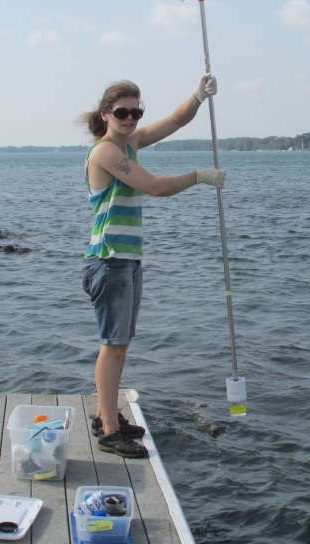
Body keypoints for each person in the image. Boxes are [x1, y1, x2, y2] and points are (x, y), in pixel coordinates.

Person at [80, 74, 226, 458]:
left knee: (120, 345)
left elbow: (177, 120)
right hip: (108, 260)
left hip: (127, 261)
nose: (131, 118)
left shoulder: (130, 142)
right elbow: (155, 186)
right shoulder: (106, 152)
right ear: (106, 114)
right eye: (123, 112)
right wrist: (199, 177)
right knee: (113, 346)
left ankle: (104, 414)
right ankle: (109, 430)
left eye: (136, 111)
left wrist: (198, 95)